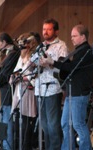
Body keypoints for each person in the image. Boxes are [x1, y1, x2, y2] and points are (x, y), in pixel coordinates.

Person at [41, 24, 93, 150]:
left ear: (83, 37)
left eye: (75, 36)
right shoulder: (79, 51)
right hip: (72, 92)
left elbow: (72, 68)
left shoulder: (86, 51)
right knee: (65, 124)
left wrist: (53, 62)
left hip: (79, 93)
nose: (72, 38)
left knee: (78, 124)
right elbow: (72, 69)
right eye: (71, 36)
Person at [33, 18, 68, 150]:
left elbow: (62, 67)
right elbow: (33, 67)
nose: (45, 32)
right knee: (44, 125)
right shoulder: (39, 46)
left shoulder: (61, 46)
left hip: (53, 88)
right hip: (39, 89)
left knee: (53, 124)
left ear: (56, 31)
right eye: (44, 29)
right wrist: (34, 65)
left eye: (49, 29)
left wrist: (49, 61)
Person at [0, 32, 20, 150]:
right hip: (3, 90)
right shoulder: (7, 53)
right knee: (3, 119)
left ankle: (7, 147)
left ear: (4, 42)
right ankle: (2, 145)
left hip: (8, 90)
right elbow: (3, 70)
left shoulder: (13, 53)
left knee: (7, 121)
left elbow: (6, 73)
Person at [11, 32, 41, 150]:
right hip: (19, 93)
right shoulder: (20, 57)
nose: (21, 47)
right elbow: (15, 72)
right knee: (16, 127)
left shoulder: (33, 57)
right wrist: (14, 77)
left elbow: (31, 77)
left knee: (26, 128)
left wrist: (21, 77)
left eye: (24, 44)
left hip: (28, 93)